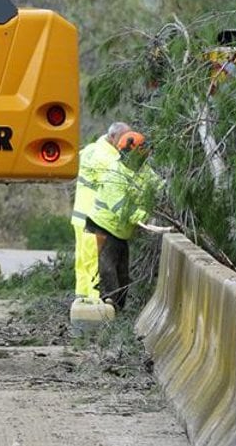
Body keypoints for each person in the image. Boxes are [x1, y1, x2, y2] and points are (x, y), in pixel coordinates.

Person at [70, 122, 167, 309]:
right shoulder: (112, 167)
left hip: (115, 228)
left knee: (118, 272)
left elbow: (154, 182)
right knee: (104, 270)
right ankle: (97, 307)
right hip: (101, 224)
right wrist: (146, 218)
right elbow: (122, 207)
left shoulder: (136, 167)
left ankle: (105, 305)